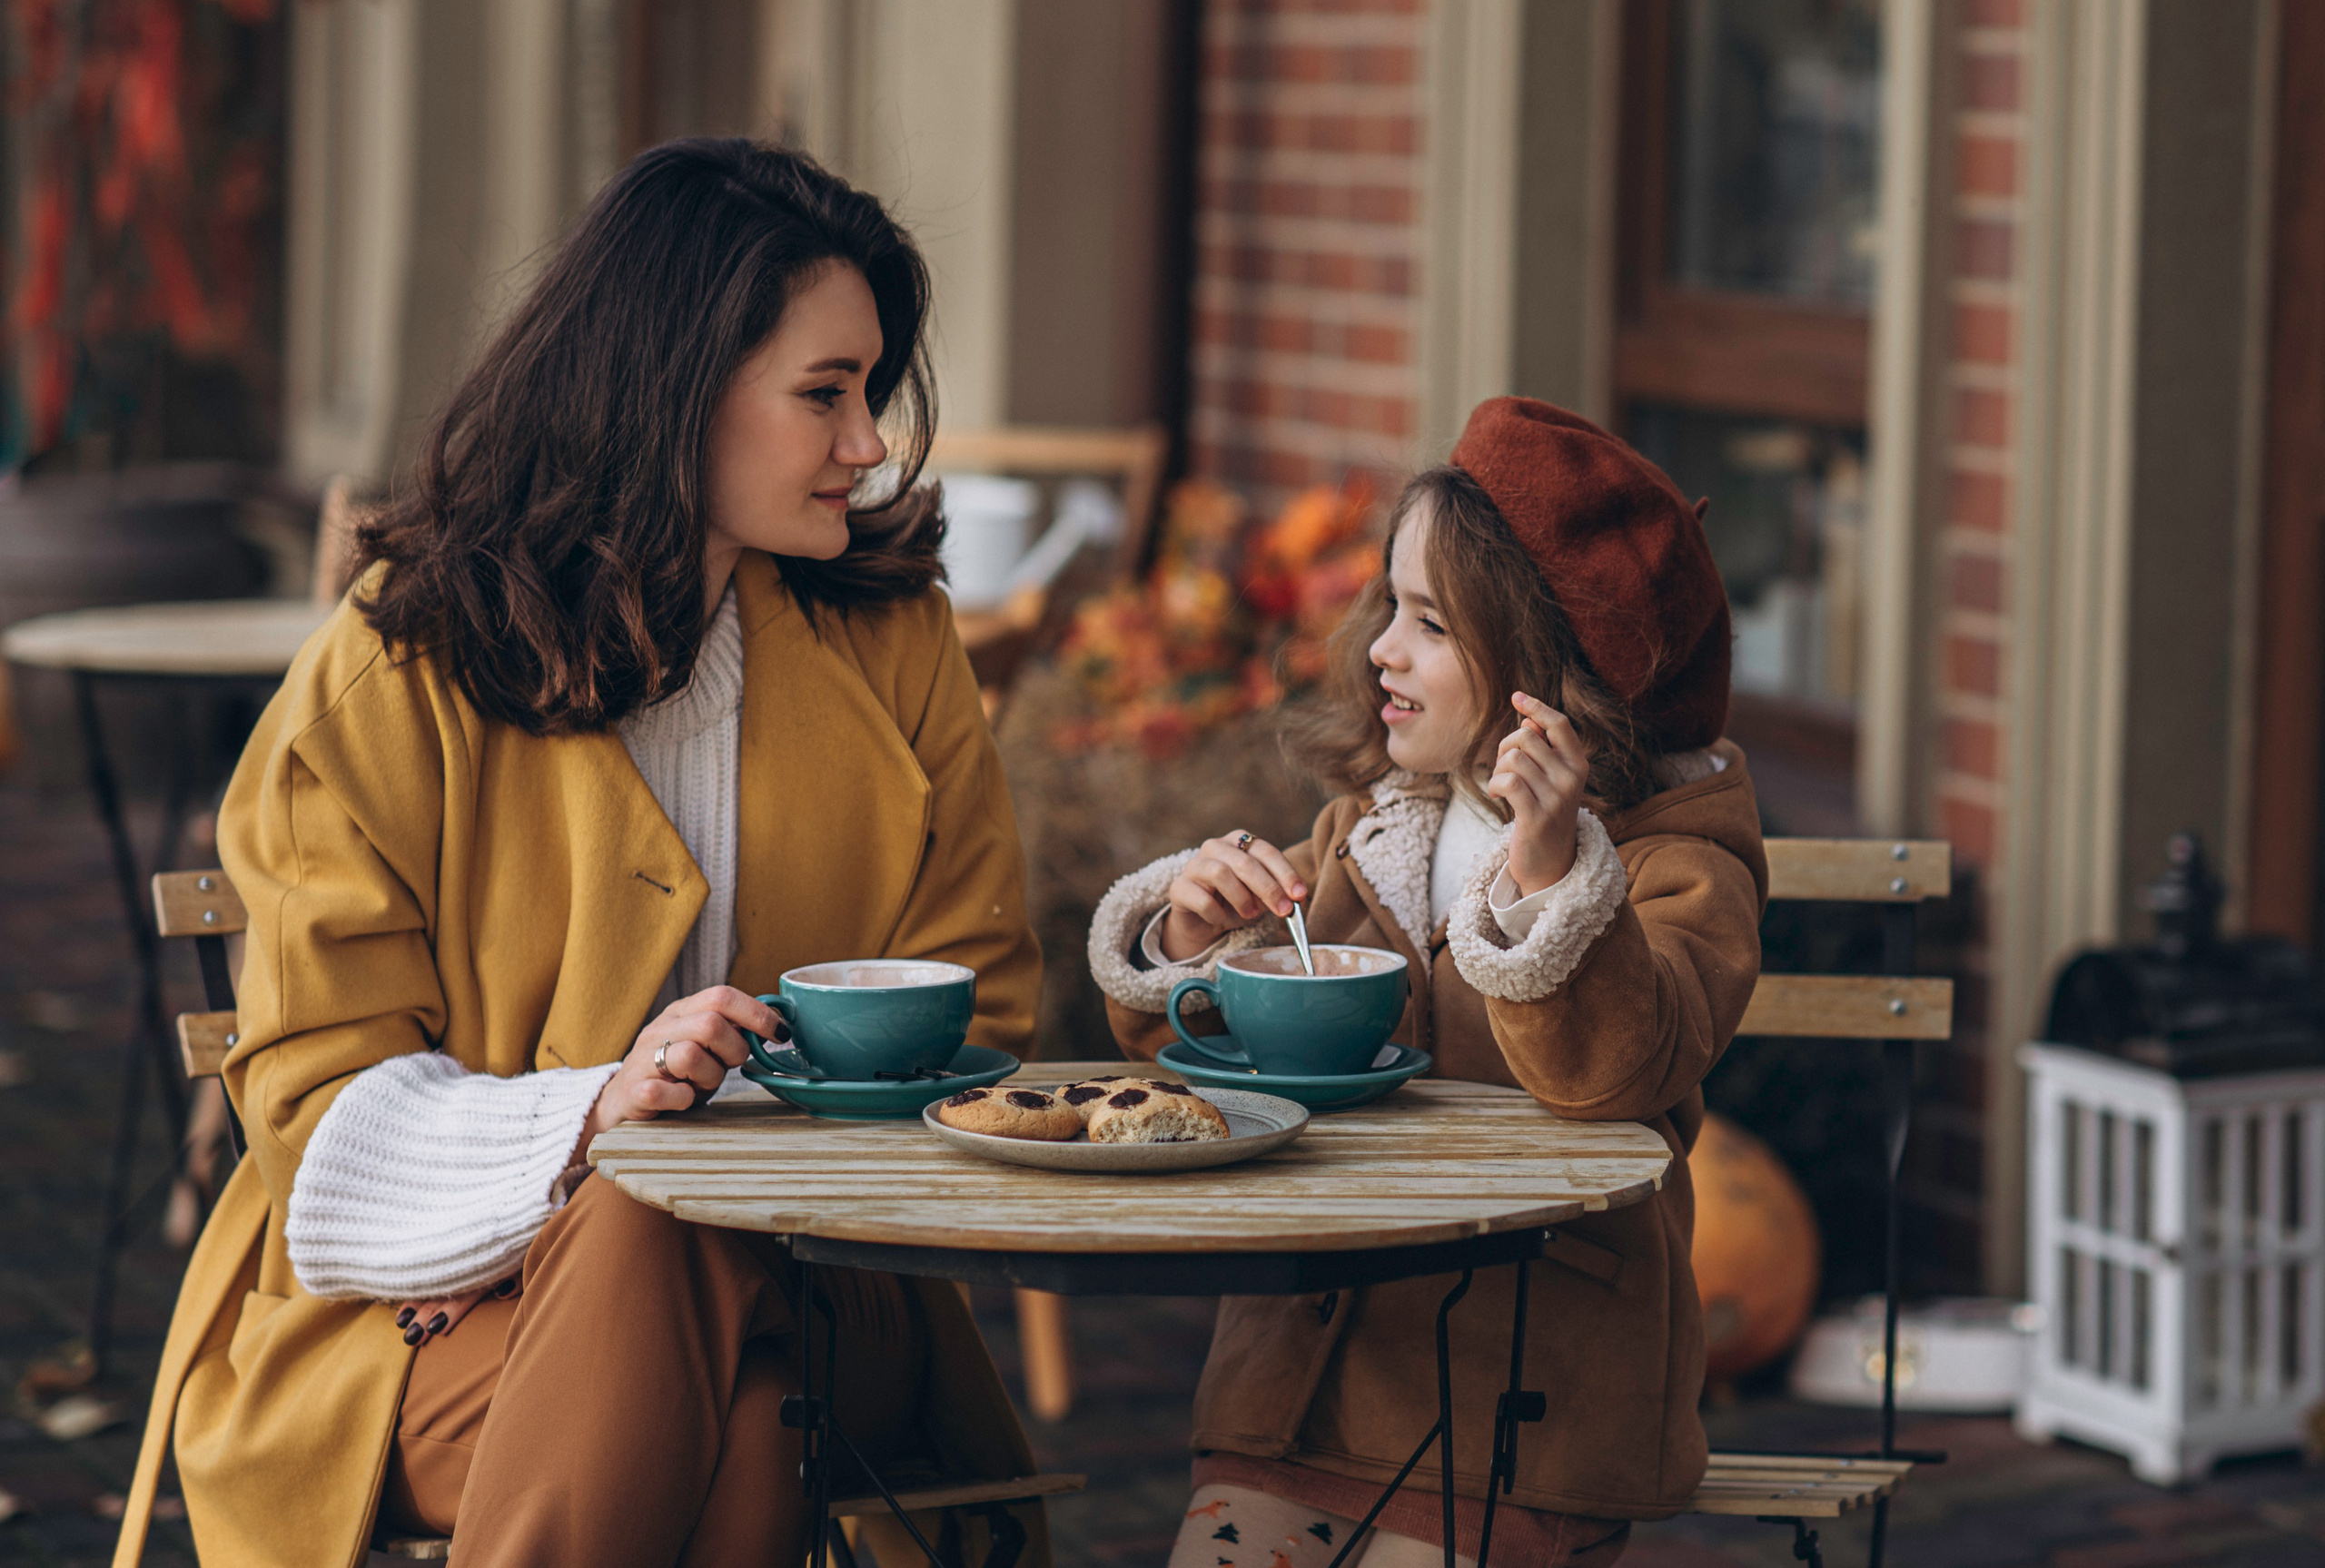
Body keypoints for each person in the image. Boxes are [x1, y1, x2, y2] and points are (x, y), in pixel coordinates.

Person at [112, 140, 1046, 1568]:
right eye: (823, 393)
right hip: (418, 1318)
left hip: (826, 1284)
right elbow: (316, 1094)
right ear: (673, 387)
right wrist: (592, 1121)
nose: (867, 443)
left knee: (675, 1203)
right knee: (736, 1419)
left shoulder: (891, 640)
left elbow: (976, 1001)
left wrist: (688, 1128)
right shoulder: (400, 667)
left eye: (870, 391)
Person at [1088, 399, 1767, 1568]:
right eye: (1388, 610)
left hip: (1520, 1396)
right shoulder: (1372, 832)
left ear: (1547, 672)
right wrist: (1192, 941)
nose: (1380, 652)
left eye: (1431, 624)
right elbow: (1203, 1062)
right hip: (1301, 1380)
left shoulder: (1679, 871)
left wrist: (1555, 882)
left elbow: (1617, 1070)